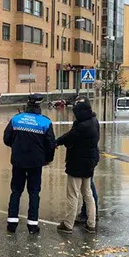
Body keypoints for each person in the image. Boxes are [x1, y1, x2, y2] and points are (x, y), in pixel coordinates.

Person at [3, 94, 56, 234]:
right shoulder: (45, 122)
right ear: (39, 106)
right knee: (34, 193)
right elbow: (51, 145)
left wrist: (17, 147)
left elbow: (6, 139)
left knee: (16, 191)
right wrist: (48, 159)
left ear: (27, 105)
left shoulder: (16, 119)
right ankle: (32, 225)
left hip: (18, 162)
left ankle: (11, 224)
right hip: (36, 163)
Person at [56, 96, 100, 233]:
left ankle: (68, 224)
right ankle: (91, 224)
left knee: (72, 194)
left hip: (77, 164)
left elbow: (68, 137)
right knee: (88, 193)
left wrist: (55, 142)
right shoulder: (94, 121)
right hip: (89, 164)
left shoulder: (82, 126)